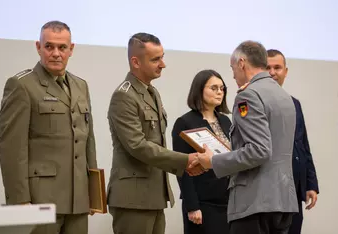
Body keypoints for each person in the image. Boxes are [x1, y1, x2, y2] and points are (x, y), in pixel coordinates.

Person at [0, 20, 97, 234]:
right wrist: (19, 200)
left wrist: (93, 192)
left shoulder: (81, 85)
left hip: (78, 199)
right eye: (49, 46)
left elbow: (88, 140)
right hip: (40, 199)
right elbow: (11, 148)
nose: (56, 53)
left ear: (71, 49)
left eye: (62, 47)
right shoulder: (22, 85)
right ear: (38, 47)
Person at [193, 40, 299, 234]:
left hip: (255, 203)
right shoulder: (285, 97)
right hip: (283, 202)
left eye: (232, 67)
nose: (232, 74)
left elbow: (259, 150)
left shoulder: (248, 96)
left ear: (241, 63)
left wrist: (213, 161)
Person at [106, 32, 203, 234]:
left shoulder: (152, 92)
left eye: (162, 57)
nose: (163, 64)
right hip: (132, 199)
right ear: (136, 62)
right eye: (155, 59)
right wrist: (185, 161)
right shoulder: (123, 96)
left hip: (154, 195)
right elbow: (138, 146)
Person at [172, 69, 232, 234]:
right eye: (214, 88)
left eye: (222, 88)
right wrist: (192, 206)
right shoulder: (185, 122)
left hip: (228, 200)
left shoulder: (226, 121)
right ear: (199, 90)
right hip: (203, 203)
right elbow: (182, 168)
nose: (219, 92)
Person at [267, 49, 319, 234]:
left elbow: (303, 144)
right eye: (267, 67)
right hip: (269, 191)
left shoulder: (294, 103)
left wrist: (311, 183)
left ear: (285, 72)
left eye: (277, 68)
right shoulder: (255, 102)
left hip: (294, 188)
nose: (272, 72)